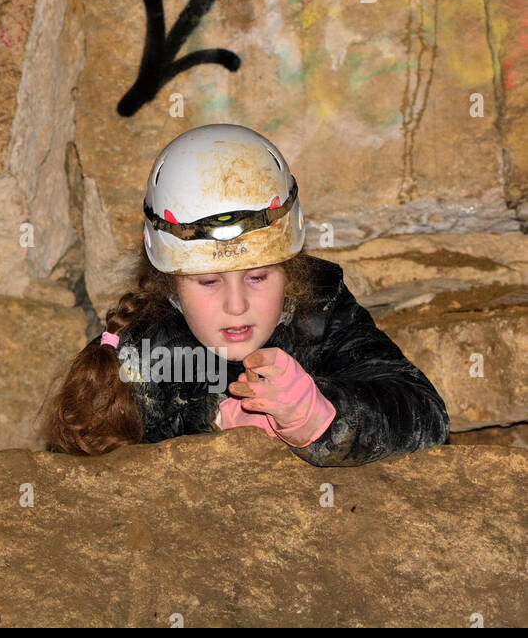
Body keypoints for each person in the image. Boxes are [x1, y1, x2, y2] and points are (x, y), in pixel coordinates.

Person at [43, 123, 450, 466]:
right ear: (171, 286)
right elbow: (74, 482)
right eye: (208, 282)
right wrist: (208, 424)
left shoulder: (318, 309)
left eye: (258, 278)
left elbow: (426, 418)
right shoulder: (140, 355)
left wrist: (323, 415)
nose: (236, 306)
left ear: (290, 272)